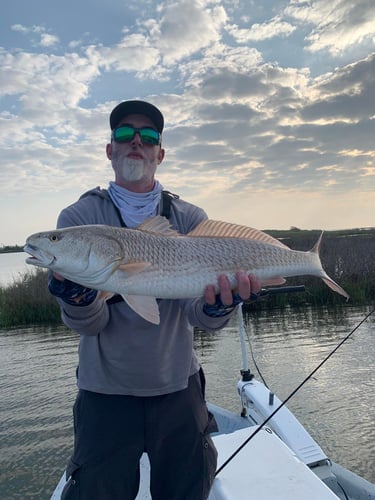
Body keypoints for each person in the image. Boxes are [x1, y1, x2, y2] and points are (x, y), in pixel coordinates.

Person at [48, 100, 261, 500]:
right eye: (125, 135)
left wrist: (221, 304)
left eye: (148, 137)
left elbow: (201, 317)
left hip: (178, 389)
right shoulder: (79, 218)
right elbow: (90, 324)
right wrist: (73, 293)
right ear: (110, 149)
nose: (136, 143)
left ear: (160, 154)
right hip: (105, 394)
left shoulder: (189, 217)